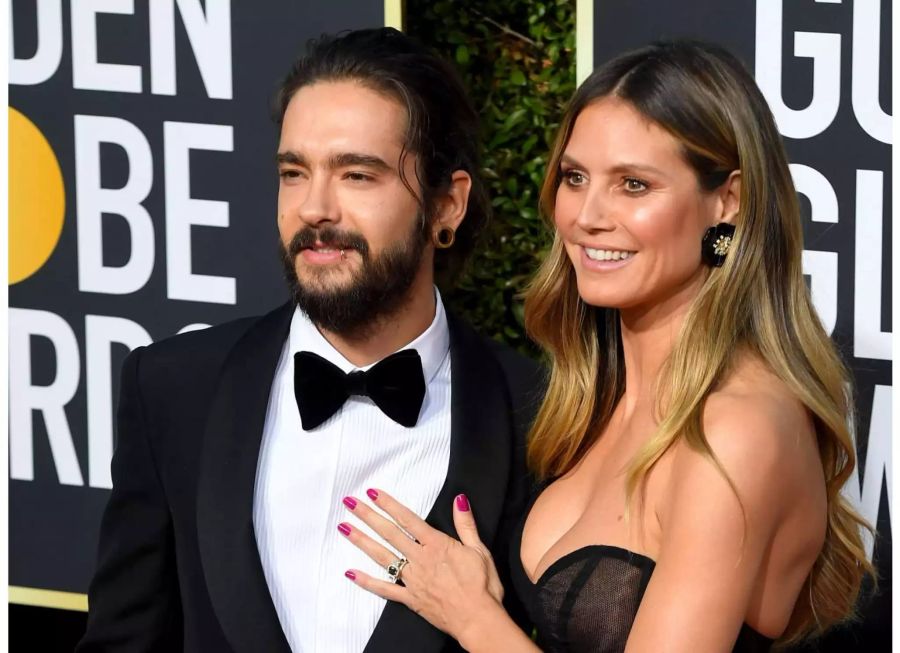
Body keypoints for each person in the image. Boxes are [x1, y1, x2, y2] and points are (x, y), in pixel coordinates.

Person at [338, 40, 874, 652]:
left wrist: (475, 619)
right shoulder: (591, 401)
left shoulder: (737, 429)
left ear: (728, 201)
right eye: (574, 178)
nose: (587, 216)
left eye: (634, 185)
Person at [77, 28, 543, 653]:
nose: (314, 208)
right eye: (294, 173)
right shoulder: (173, 388)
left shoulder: (539, 418)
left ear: (446, 206)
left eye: (357, 174)